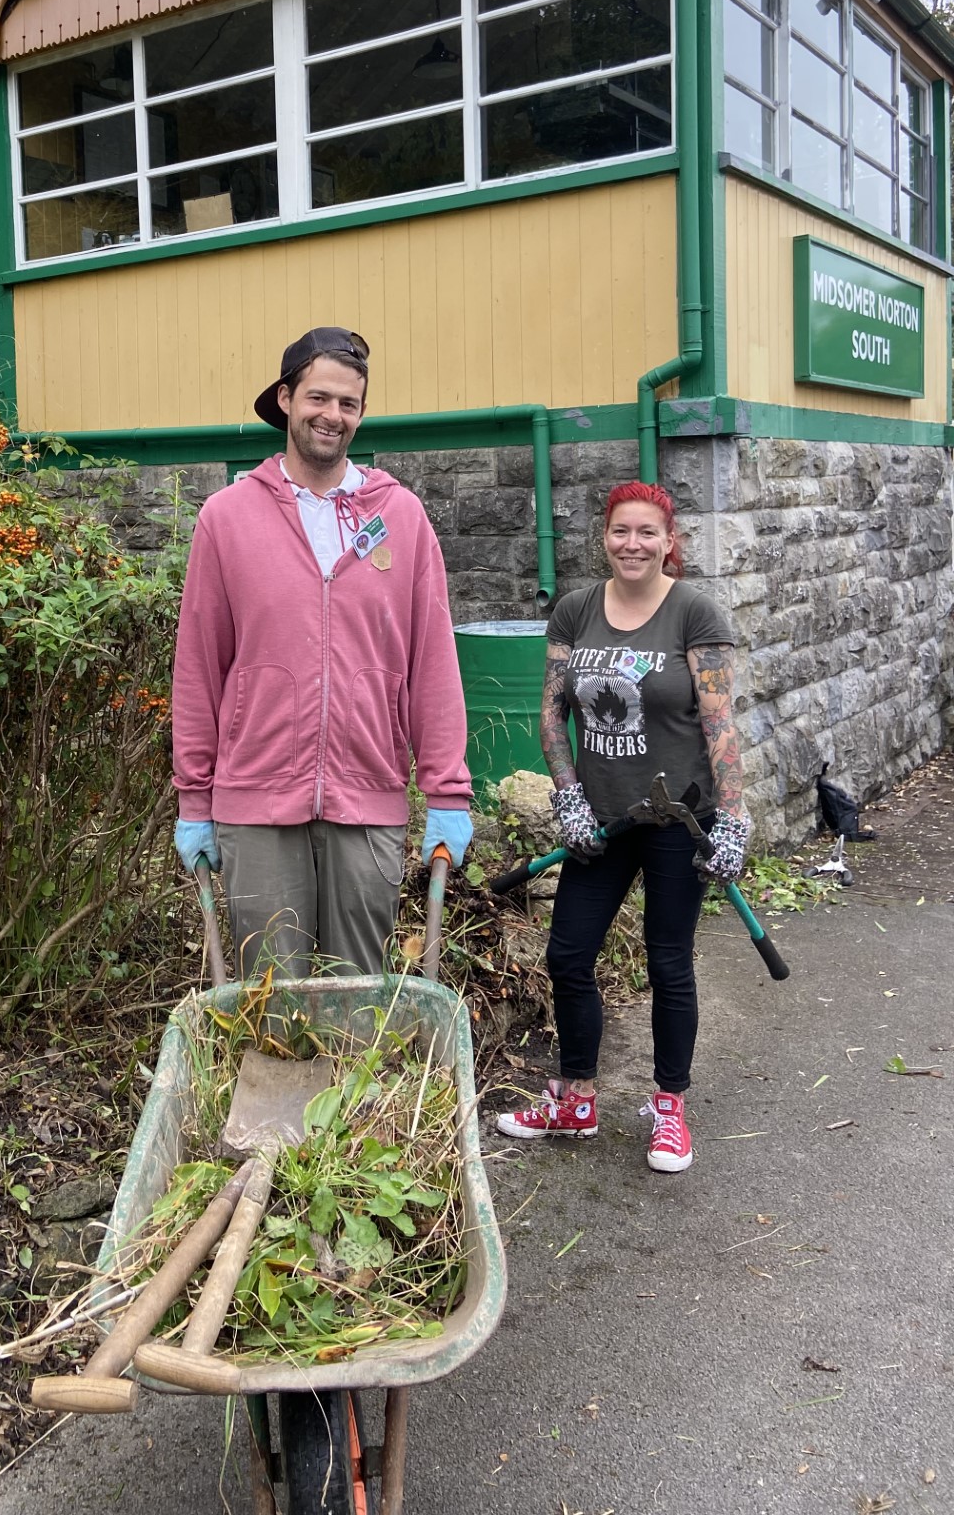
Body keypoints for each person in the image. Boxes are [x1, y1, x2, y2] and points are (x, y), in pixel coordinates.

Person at [171, 326, 473, 978]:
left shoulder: (402, 518)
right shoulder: (227, 519)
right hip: (255, 799)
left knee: (357, 997)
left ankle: (351, 1086)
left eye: (349, 404)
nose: (332, 415)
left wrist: (447, 791)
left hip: (367, 795)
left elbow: (433, 665)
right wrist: (194, 800)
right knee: (273, 1002)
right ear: (285, 399)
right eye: (319, 397)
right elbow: (199, 669)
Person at [496, 479, 750, 1173]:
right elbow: (552, 715)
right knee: (568, 955)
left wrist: (731, 818)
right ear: (604, 538)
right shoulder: (576, 613)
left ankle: (670, 1109)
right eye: (619, 531)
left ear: (670, 543)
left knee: (668, 961)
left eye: (646, 533)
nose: (632, 544)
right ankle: (576, 1098)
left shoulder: (695, 613)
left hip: (678, 818)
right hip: (603, 820)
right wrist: (568, 797)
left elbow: (720, 726)